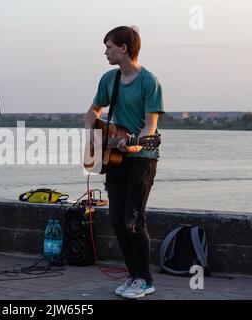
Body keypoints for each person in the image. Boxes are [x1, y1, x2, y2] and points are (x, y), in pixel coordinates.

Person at [85, 26, 164, 299]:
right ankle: (133, 276)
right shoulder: (109, 79)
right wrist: (93, 139)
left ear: (124, 48)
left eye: (108, 47)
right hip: (115, 160)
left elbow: (149, 128)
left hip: (142, 159)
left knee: (133, 220)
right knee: (117, 221)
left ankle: (145, 279)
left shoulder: (149, 82)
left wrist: (135, 143)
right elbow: (91, 112)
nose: (105, 52)